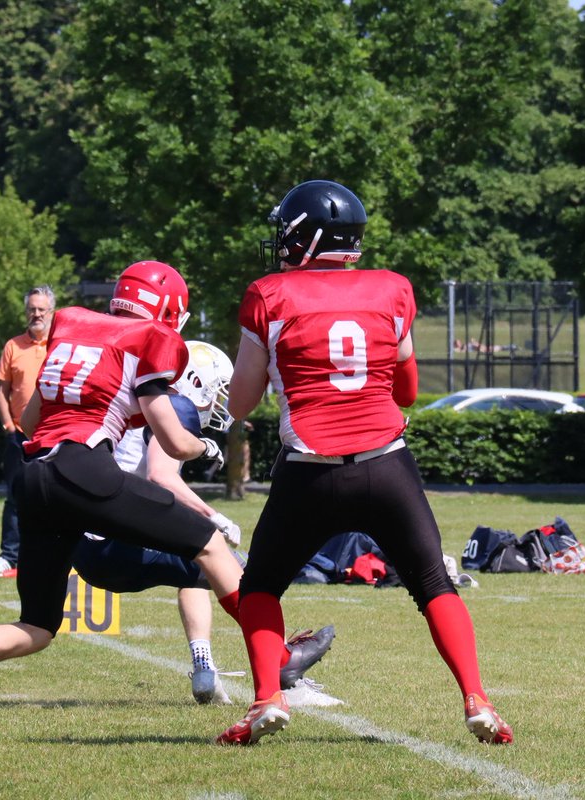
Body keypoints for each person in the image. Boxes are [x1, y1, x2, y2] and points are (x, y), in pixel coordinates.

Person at [0, 261, 331, 714]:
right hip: (83, 469)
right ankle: (279, 662)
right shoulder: (146, 340)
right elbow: (173, 441)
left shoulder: (71, 330)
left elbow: (28, 423)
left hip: (33, 477)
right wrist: (205, 448)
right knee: (211, 546)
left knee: (38, 624)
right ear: (165, 309)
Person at [216, 180, 513, 746]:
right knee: (434, 585)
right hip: (386, 464)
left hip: (310, 467)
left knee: (260, 586)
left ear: (309, 237)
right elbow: (406, 390)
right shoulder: (393, 290)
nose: (281, 240)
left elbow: (242, 400)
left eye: (289, 231)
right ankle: (476, 697)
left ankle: (267, 699)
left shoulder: (269, 294)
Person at [70, 340, 333, 704]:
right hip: (117, 541)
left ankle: (204, 665)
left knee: (200, 558)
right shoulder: (178, 407)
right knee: (246, 579)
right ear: (196, 381)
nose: (221, 400)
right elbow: (162, 477)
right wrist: (215, 515)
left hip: (91, 547)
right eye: (218, 390)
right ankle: (286, 672)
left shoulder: (145, 402)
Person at [0, 286, 56, 576]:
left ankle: (57, 553)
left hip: (53, 434)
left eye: (41, 309)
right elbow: (2, 391)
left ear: (51, 311)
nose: (36, 314)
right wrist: (7, 425)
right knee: (15, 496)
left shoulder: (60, 344)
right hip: (19, 435)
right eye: (32, 309)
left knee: (56, 497)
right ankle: (9, 556)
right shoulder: (13, 346)